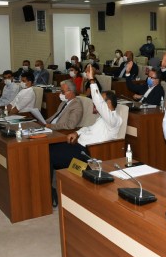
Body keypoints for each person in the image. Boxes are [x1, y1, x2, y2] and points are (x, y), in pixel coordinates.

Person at [49, 66, 122, 207]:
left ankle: (50, 192)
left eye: (100, 101)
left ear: (108, 104)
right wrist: (77, 132)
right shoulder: (101, 118)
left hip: (88, 153)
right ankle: (52, 188)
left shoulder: (114, 119)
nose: (96, 104)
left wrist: (91, 80)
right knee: (50, 147)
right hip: (78, 146)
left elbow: (99, 104)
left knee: (49, 153)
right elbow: (88, 128)